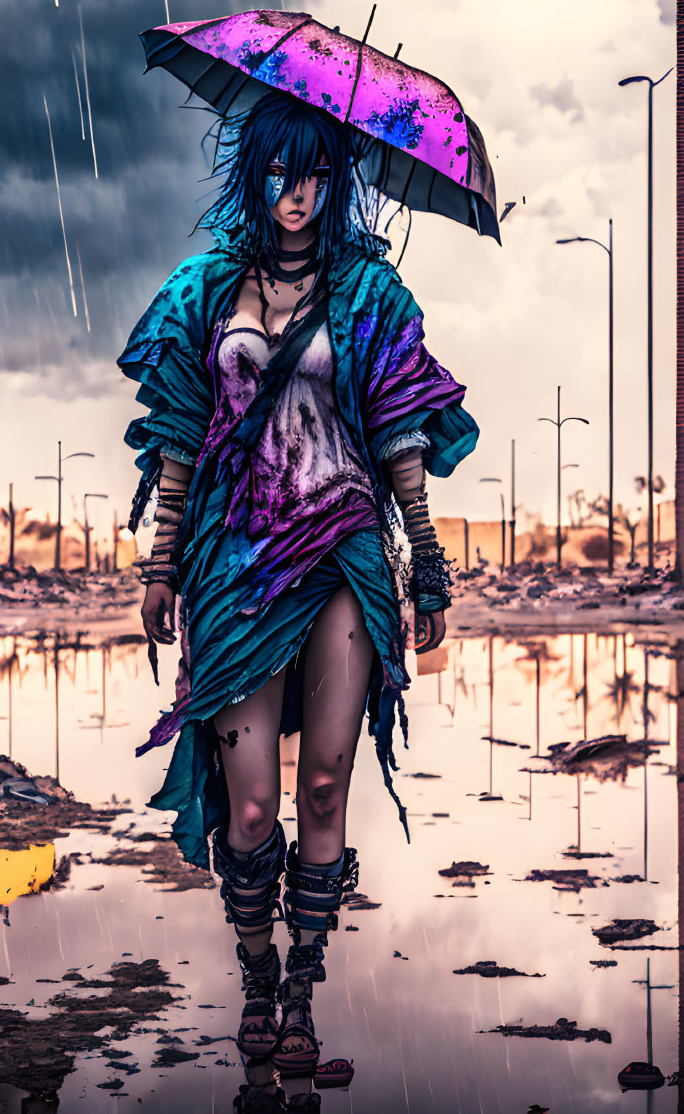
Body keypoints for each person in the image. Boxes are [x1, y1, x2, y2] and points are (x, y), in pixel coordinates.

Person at [119, 90, 477, 1113]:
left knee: (323, 782)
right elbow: (178, 437)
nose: (296, 193)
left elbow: (403, 437)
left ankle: (305, 994)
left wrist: (428, 564)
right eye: (279, 172)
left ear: (336, 181)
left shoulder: (368, 293)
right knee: (246, 803)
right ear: (254, 175)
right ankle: (256, 974)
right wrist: (158, 564)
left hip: (343, 556)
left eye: (315, 173)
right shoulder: (203, 291)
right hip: (231, 564)